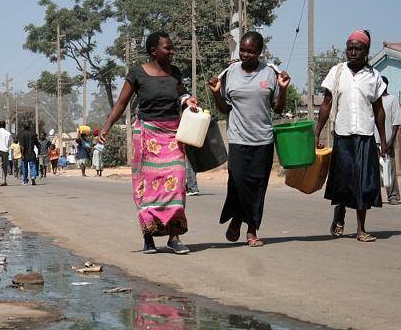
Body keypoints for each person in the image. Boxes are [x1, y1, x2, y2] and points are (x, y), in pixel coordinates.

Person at [100, 31, 198, 255]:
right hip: (147, 136)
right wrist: (106, 127)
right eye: (167, 48)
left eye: (172, 47)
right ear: (154, 51)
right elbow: (121, 104)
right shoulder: (137, 74)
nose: (172, 51)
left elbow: (182, 95)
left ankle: (174, 237)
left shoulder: (175, 73)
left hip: (173, 136)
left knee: (177, 183)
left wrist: (188, 100)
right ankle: (149, 238)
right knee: (148, 189)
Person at [207, 31, 290, 247]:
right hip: (238, 138)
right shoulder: (230, 72)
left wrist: (283, 90)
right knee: (237, 182)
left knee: (258, 187)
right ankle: (236, 218)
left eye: (251, 51)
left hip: (262, 140)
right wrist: (217, 92)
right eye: (243, 50)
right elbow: (225, 108)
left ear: (260, 52)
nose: (245, 54)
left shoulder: (270, 73)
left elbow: (278, 109)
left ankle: (251, 230)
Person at [315, 30, 387, 243]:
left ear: (366, 52)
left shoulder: (374, 77)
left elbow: (379, 110)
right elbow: (326, 103)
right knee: (344, 182)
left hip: (365, 136)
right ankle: (340, 211)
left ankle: (361, 228)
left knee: (364, 184)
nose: (353, 52)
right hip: (343, 136)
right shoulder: (337, 72)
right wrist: (316, 132)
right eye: (350, 48)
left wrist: (383, 139)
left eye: (358, 49)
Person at [375, 76, 401, 205]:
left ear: (385, 85)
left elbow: (396, 122)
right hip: (372, 142)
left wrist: (389, 142)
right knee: (373, 171)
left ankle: (393, 196)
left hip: (386, 142)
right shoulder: (373, 100)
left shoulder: (392, 100)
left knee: (389, 170)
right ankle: (374, 197)